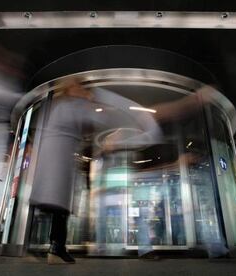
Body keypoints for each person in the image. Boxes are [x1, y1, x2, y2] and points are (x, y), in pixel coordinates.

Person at [30, 79, 162, 264]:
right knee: (58, 206)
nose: (83, 90)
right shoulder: (67, 105)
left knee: (56, 206)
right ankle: (55, 248)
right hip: (59, 158)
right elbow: (93, 119)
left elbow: (89, 122)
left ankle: (54, 247)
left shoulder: (60, 105)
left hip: (59, 157)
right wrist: (99, 106)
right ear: (70, 88)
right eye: (79, 87)